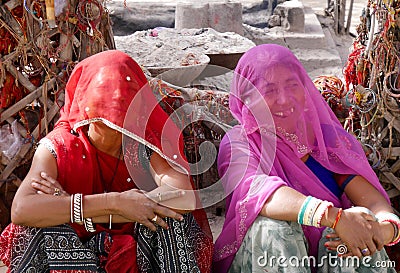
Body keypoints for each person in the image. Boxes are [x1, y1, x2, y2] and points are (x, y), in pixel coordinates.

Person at [0, 50, 213, 272]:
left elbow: (183, 197)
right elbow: (22, 209)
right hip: (76, 251)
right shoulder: (60, 146)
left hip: (138, 248)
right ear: (86, 102)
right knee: (34, 227)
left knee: (173, 221)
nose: (115, 109)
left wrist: (71, 205)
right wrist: (115, 203)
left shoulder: (143, 144)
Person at [213, 44, 399, 273]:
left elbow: (373, 203)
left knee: (353, 232)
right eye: (268, 90)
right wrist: (335, 218)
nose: (284, 99)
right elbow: (260, 193)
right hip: (264, 260)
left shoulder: (324, 140)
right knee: (274, 227)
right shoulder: (240, 144)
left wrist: (382, 230)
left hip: (327, 259)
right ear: (247, 98)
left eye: (292, 85)